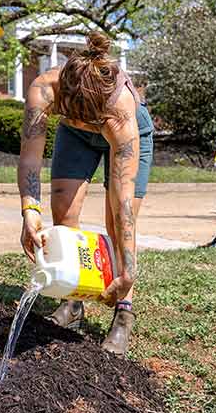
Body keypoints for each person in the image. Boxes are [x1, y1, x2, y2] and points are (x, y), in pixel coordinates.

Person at [17, 31, 154, 356]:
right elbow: (30, 161)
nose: (85, 120)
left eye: (91, 116)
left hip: (127, 135)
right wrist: (29, 213)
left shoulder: (121, 109)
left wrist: (129, 272)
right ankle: (74, 300)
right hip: (74, 139)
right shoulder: (42, 91)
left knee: (115, 222)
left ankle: (123, 310)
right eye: (76, 113)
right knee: (64, 213)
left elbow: (123, 202)